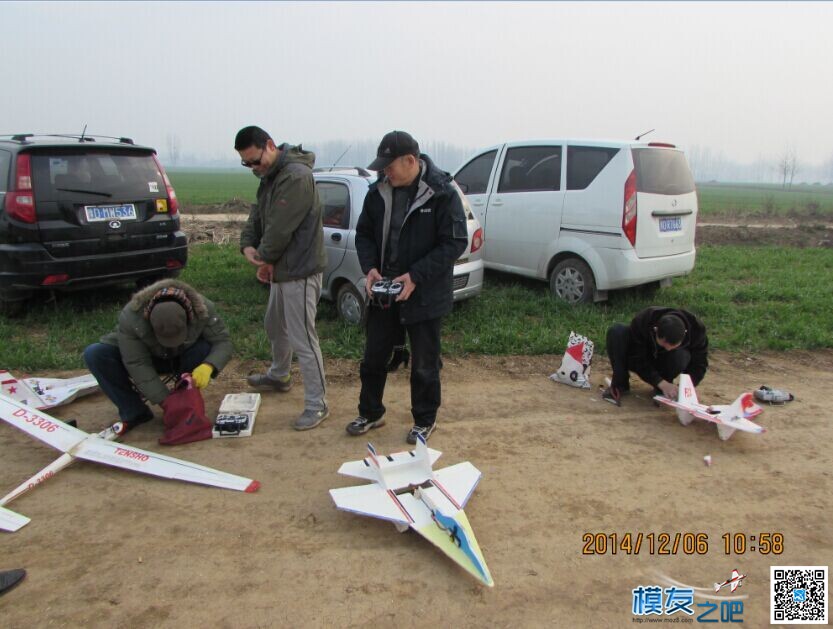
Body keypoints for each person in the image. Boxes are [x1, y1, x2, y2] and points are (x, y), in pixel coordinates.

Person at [345, 130, 468, 444]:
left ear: (411, 161)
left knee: (425, 363)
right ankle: (371, 412)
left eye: (390, 165)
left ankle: (425, 419)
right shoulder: (378, 192)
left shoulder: (442, 193)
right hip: (384, 290)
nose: (385, 171)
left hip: (424, 292)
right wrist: (370, 268)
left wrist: (415, 276)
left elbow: (454, 243)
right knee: (374, 357)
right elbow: (364, 235)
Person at [235, 126, 329, 430]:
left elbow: (279, 229)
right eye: (246, 164)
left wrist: (263, 258)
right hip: (282, 268)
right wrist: (248, 244)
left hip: (300, 270)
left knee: (303, 338)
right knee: (274, 325)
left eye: (255, 161)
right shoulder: (270, 175)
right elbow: (258, 215)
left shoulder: (296, 177)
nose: (253, 168)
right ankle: (280, 375)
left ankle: (317, 405)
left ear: (270, 146)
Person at [83, 279, 232, 434]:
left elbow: (223, 342)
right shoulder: (132, 317)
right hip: (147, 357)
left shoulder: (202, 309)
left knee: (204, 348)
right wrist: (166, 400)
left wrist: (208, 366)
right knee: (95, 354)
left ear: (189, 317)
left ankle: (187, 402)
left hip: (183, 355)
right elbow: (137, 362)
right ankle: (135, 412)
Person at [602, 306, 708, 405]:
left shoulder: (697, 330)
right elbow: (637, 358)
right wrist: (660, 382)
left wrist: (686, 389)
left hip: (669, 363)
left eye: (673, 346)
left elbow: (699, 364)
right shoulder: (644, 320)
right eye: (664, 344)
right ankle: (620, 384)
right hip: (643, 357)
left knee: (680, 356)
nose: (667, 349)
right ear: (656, 330)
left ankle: (663, 386)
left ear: (685, 333)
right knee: (617, 332)